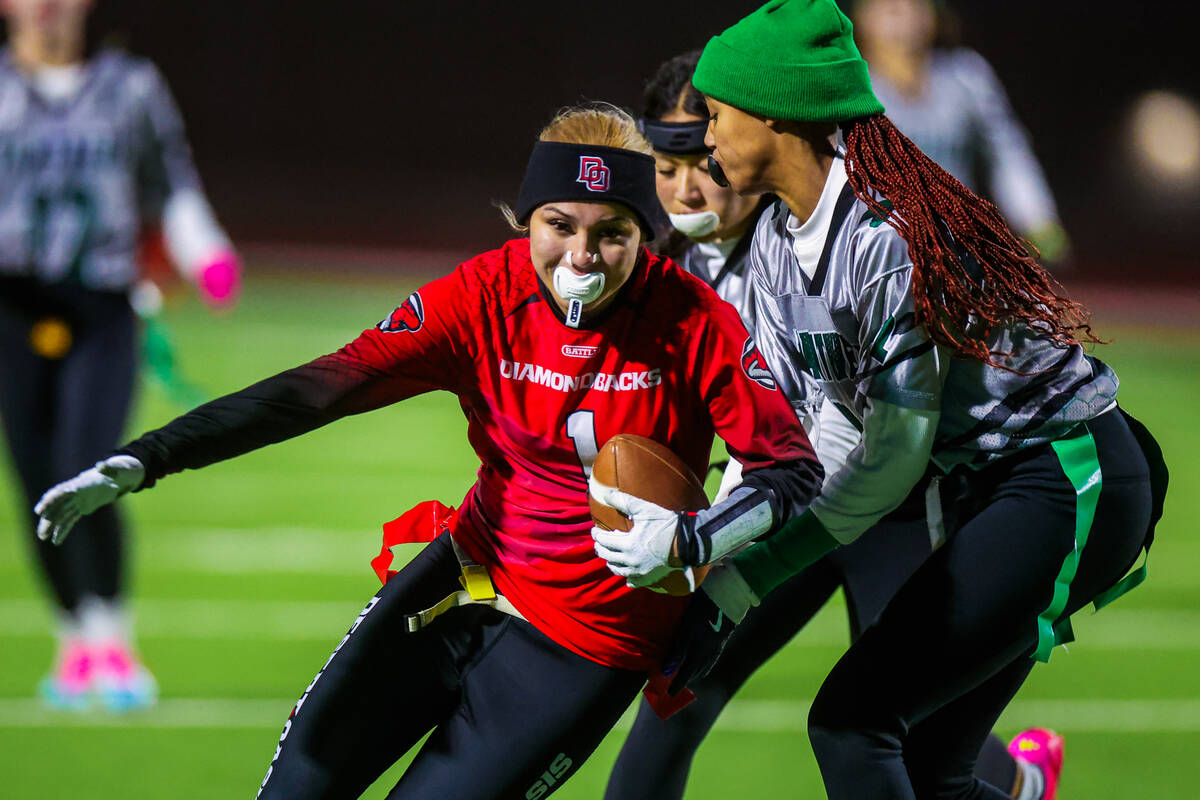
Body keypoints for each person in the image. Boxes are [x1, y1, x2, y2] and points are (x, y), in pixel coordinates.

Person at [33, 103, 823, 799]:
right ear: (525, 222)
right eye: (561, 225)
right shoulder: (483, 295)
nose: (583, 255)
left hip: (587, 640)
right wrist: (148, 458)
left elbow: (792, 469)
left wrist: (690, 540)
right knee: (301, 782)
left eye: (611, 232)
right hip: (469, 579)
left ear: (643, 237)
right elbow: (319, 388)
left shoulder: (693, 319)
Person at [590, 3, 1167, 799]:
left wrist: (703, 549)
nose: (708, 138)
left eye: (718, 114)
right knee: (933, 769)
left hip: (1063, 476)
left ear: (776, 116)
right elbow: (800, 443)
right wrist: (722, 575)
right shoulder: (777, 243)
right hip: (980, 481)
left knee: (854, 725)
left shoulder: (883, 233)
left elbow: (886, 458)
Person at [0, 0, 241, 710]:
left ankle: (112, 634)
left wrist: (208, 254)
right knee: (35, 478)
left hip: (102, 305)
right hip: (11, 312)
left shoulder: (130, 86)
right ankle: (74, 637)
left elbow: (170, 184)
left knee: (89, 461)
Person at [852, 0, 1069, 267]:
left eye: (917, 6)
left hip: (957, 250)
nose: (907, 19)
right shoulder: (848, 88)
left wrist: (1036, 217)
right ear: (861, 18)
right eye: (891, 9)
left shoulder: (967, 77)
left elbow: (1007, 152)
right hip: (876, 253)